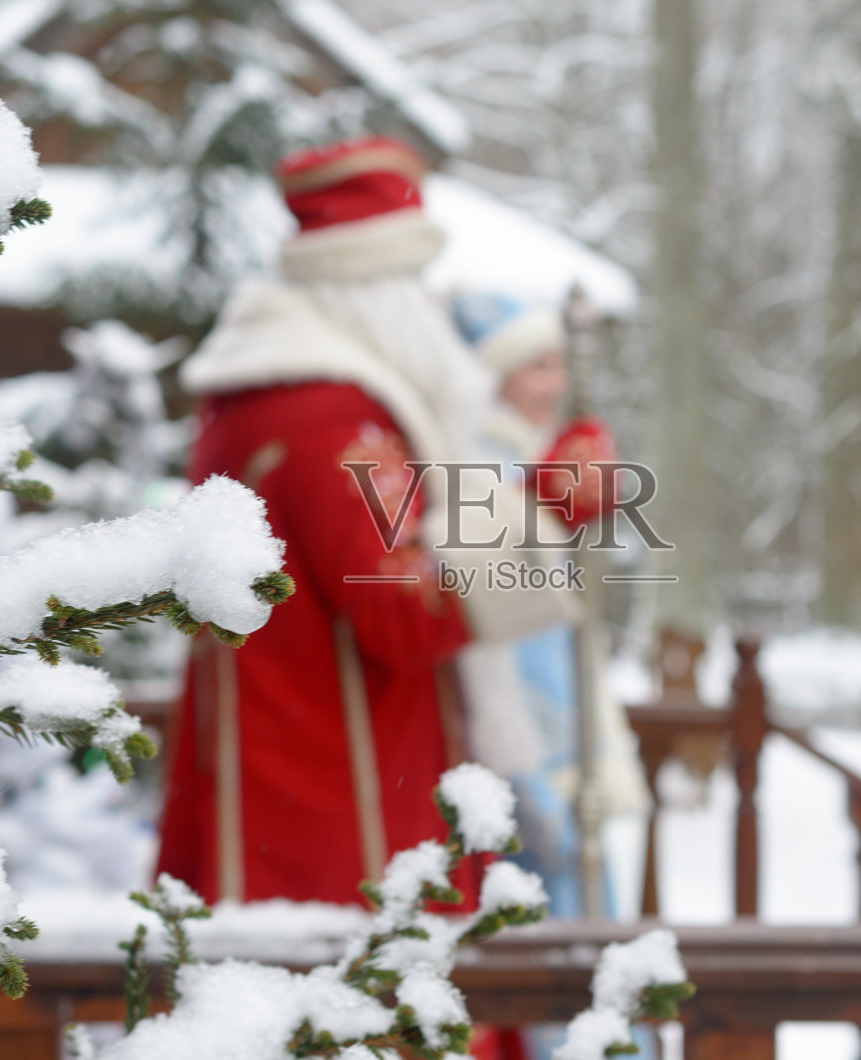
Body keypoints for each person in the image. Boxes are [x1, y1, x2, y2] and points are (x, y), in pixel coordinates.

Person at [156, 137, 575, 906]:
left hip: (285, 787)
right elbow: (408, 608)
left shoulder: (261, 400)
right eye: (413, 280)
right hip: (345, 819)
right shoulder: (335, 420)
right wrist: (544, 506)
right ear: (375, 285)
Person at [449, 291, 649, 923]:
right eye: (538, 366)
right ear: (494, 372)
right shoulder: (475, 467)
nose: (557, 383)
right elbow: (489, 615)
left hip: (561, 714)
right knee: (544, 908)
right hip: (520, 730)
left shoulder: (532, 456)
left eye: (560, 365)